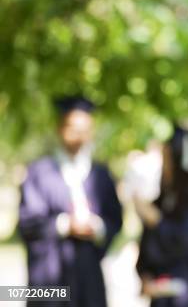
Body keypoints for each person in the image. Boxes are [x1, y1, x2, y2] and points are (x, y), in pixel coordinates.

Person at [18, 96, 123, 307]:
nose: (79, 136)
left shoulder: (100, 175)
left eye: (85, 130)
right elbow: (28, 222)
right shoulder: (39, 173)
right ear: (60, 128)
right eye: (73, 129)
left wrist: (97, 227)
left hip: (88, 276)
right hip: (48, 277)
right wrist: (65, 225)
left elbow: (115, 218)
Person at [135, 126, 188, 307]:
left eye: (167, 159)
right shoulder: (163, 200)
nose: (164, 166)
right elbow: (147, 247)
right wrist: (145, 274)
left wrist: (156, 220)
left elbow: (186, 241)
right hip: (162, 297)